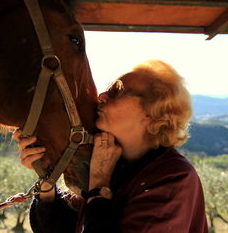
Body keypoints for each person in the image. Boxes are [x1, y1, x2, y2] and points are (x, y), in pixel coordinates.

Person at [14, 60, 208, 233]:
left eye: (117, 90)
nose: (102, 96)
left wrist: (99, 185)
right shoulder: (105, 158)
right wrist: (47, 182)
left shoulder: (174, 178)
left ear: (154, 111)